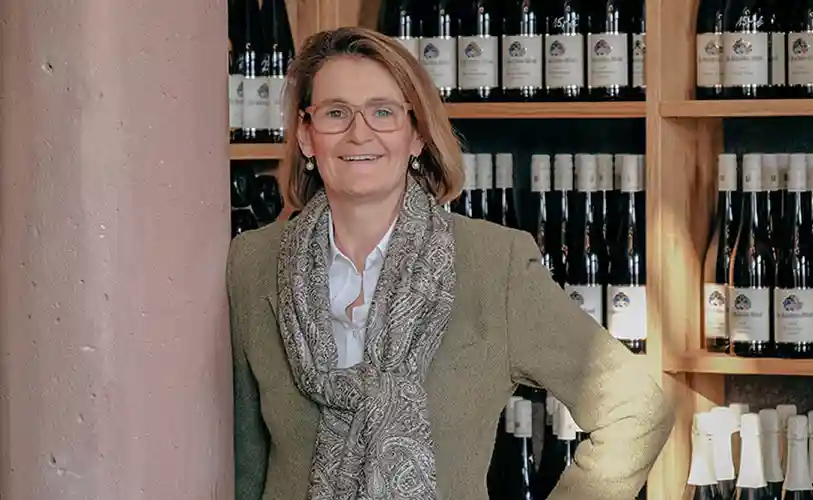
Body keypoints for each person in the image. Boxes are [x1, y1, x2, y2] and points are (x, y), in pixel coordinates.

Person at [226, 26, 674, 500]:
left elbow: (637, 411)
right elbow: (244, 464)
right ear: (306, 135)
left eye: (383, 112)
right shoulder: (254, 264)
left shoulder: (494, 265)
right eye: (336, 113)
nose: (359, 133)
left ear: (416, 135)